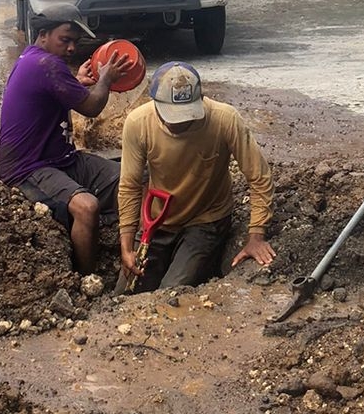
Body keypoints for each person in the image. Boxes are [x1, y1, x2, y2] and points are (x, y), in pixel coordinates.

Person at [118, 62, 276, 292]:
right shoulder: (138, 124)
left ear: (200, 100)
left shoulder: (224, 119)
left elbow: (259, 177)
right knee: (126, 293)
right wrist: (126, 245)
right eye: (172, 116)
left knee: (171, 292)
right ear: (156, 104)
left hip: (206, 219)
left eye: (186, 115)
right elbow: (130, 186)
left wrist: (256, 235)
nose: (180, 123)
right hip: (159, 221)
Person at [0, 5, 127, 271]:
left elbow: (53, 94)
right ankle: (85, 276)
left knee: (130, 179)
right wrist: (106, 79)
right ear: (43, 34)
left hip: (61, 159)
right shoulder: (46, 64)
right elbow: (92, 107)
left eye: (75, 42)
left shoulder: (34, 59)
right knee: (87, 207)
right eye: (65, 39)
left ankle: (124, 241)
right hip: (29, 168)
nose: (71, 48)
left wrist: (76, 83)